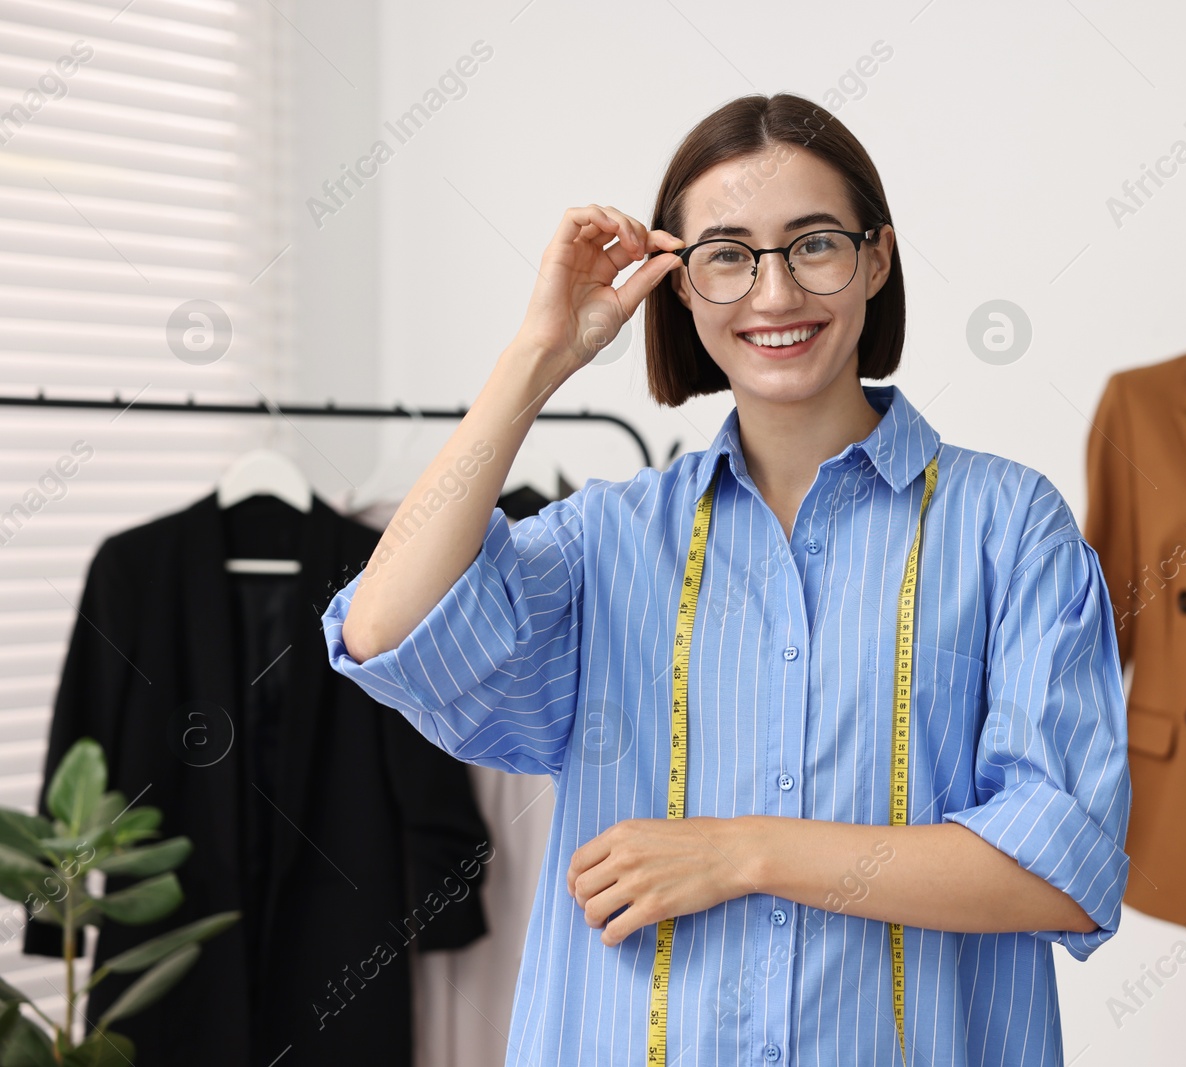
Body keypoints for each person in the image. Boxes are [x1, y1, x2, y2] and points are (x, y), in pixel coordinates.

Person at [322, 92, 1130, 1067]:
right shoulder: (604, 541)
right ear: (682, 284)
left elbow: (1061, 866)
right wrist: (538, 358)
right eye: (728, 254)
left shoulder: (1009, 527)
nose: (774, 293)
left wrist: (742, 852)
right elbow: (384, 626)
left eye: (813, 243)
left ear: (875, 257)